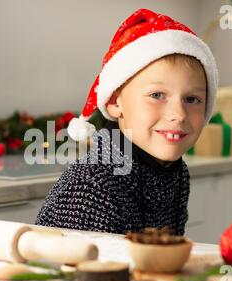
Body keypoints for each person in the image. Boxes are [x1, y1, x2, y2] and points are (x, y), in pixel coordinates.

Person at [35, 8, 219, 235]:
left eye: (192, 99)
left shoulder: (176, 172)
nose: (178, 114)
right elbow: (93, 267)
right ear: (114, 102)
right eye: (157, 95)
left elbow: (166, 251)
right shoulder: (96, 184)